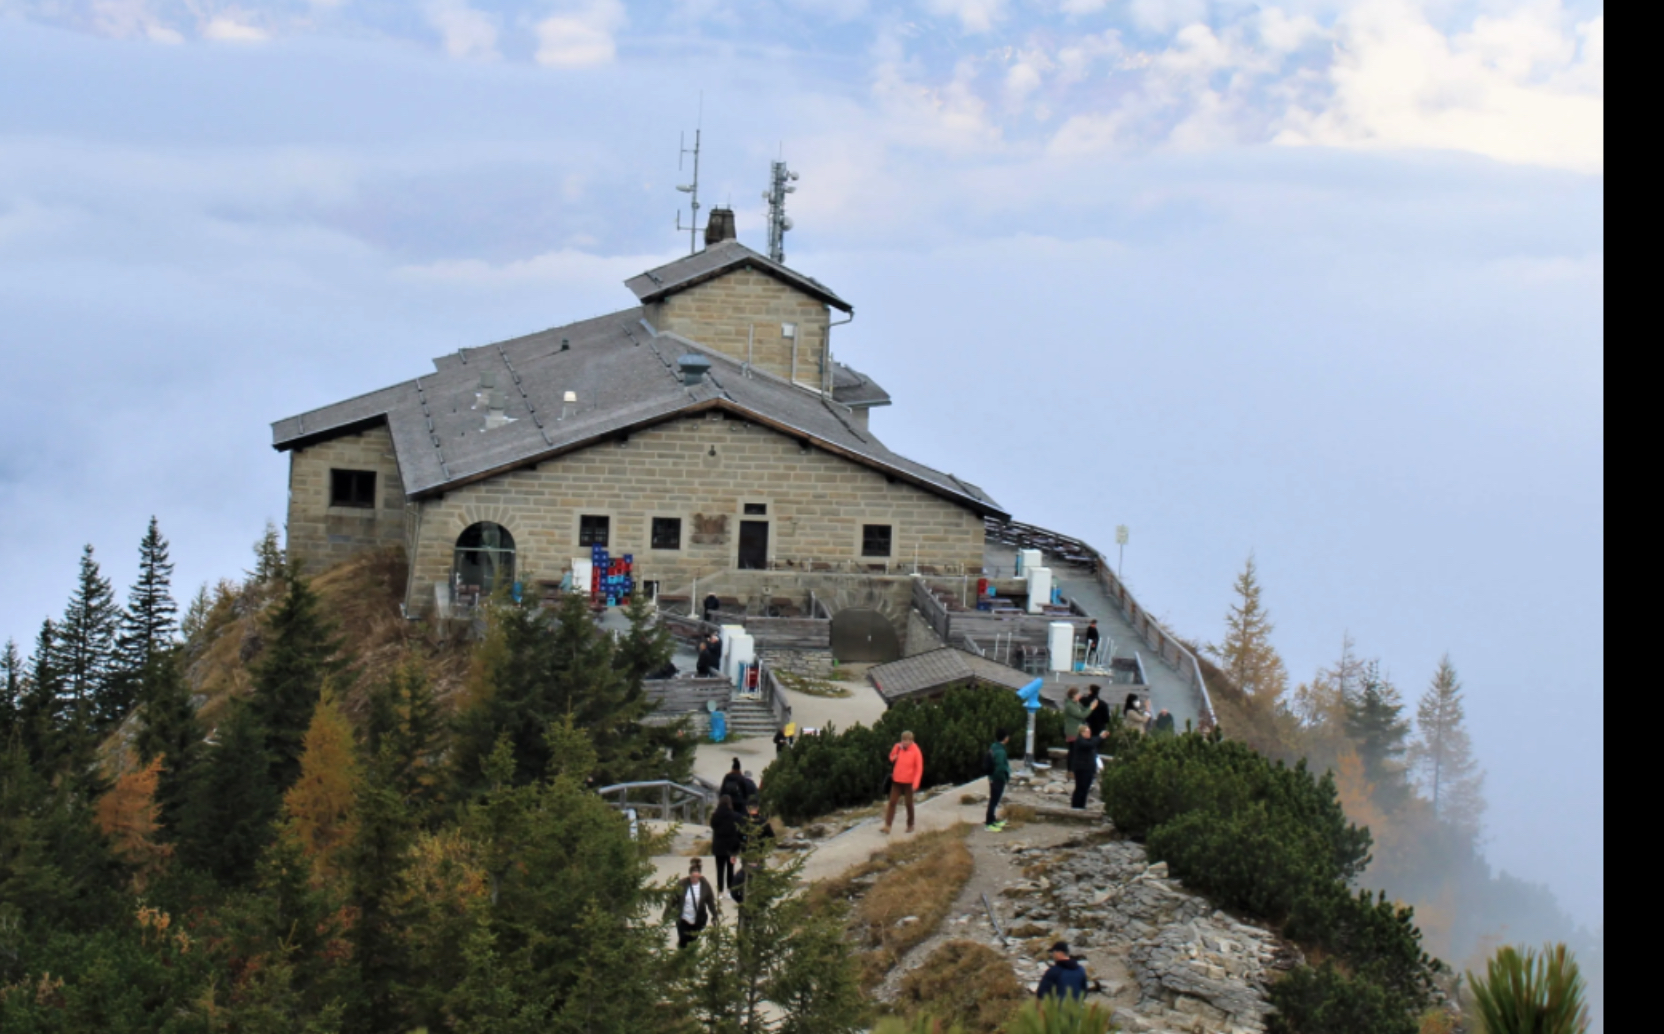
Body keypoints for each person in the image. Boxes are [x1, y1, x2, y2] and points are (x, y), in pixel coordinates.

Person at [882, 731, 924, 835]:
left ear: (911, 741)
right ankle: (887, 825)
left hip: (909, 782)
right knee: (892, 802)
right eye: (903, 740)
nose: (904, 742)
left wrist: (915, 784)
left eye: (906, 740)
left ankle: (910, 825)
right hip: (897, 780)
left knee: (908, 803)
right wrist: (893, 757)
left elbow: (919, 769)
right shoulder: (897, 747)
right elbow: (891, 756)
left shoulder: (916, 751)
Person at [672, 858, 719, 949]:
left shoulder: (705, 885)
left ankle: (691, 958)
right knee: (683, 939)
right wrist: (667, 914)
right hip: (683, 917)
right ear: (690, 875)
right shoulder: (682, 884)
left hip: (697, 918)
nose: (694, 879)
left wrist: (715, 915)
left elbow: (710, 901)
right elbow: (673, 899)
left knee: (693, 940)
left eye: (697, 877)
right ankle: (681, 958)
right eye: (693, 877)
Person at [709, 793, 742, 894]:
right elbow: (739, 830)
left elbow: (712, 826)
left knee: (719, 869)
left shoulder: (715, 816)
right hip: (731, 847)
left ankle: (720, 891)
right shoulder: (735, 816)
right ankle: (729, 890)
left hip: (718, 846)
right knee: (730, 869)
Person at [1067, 725, 1101, 809]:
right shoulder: (1080, 741)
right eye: (1087, 731)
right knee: (1080, 788)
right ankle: (1076, 806)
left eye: (1089, 731)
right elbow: (1090, 745)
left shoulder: (1090, 741)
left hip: (1089, 768)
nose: (1089, 733)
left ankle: (1082, 806)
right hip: (1081, 768)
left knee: (1086, 789)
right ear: (1082, 733)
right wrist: (1100, 737)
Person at [985, 728, 1012, 832]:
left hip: (992, 778)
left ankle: (993, 819)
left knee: (994, 800)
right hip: (997, 779)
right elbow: (1000, 767)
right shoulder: (1000, 751)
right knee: (994, 801)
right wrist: (1004, 777)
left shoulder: (994, 747)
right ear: (1005, 738)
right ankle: (989, 823)